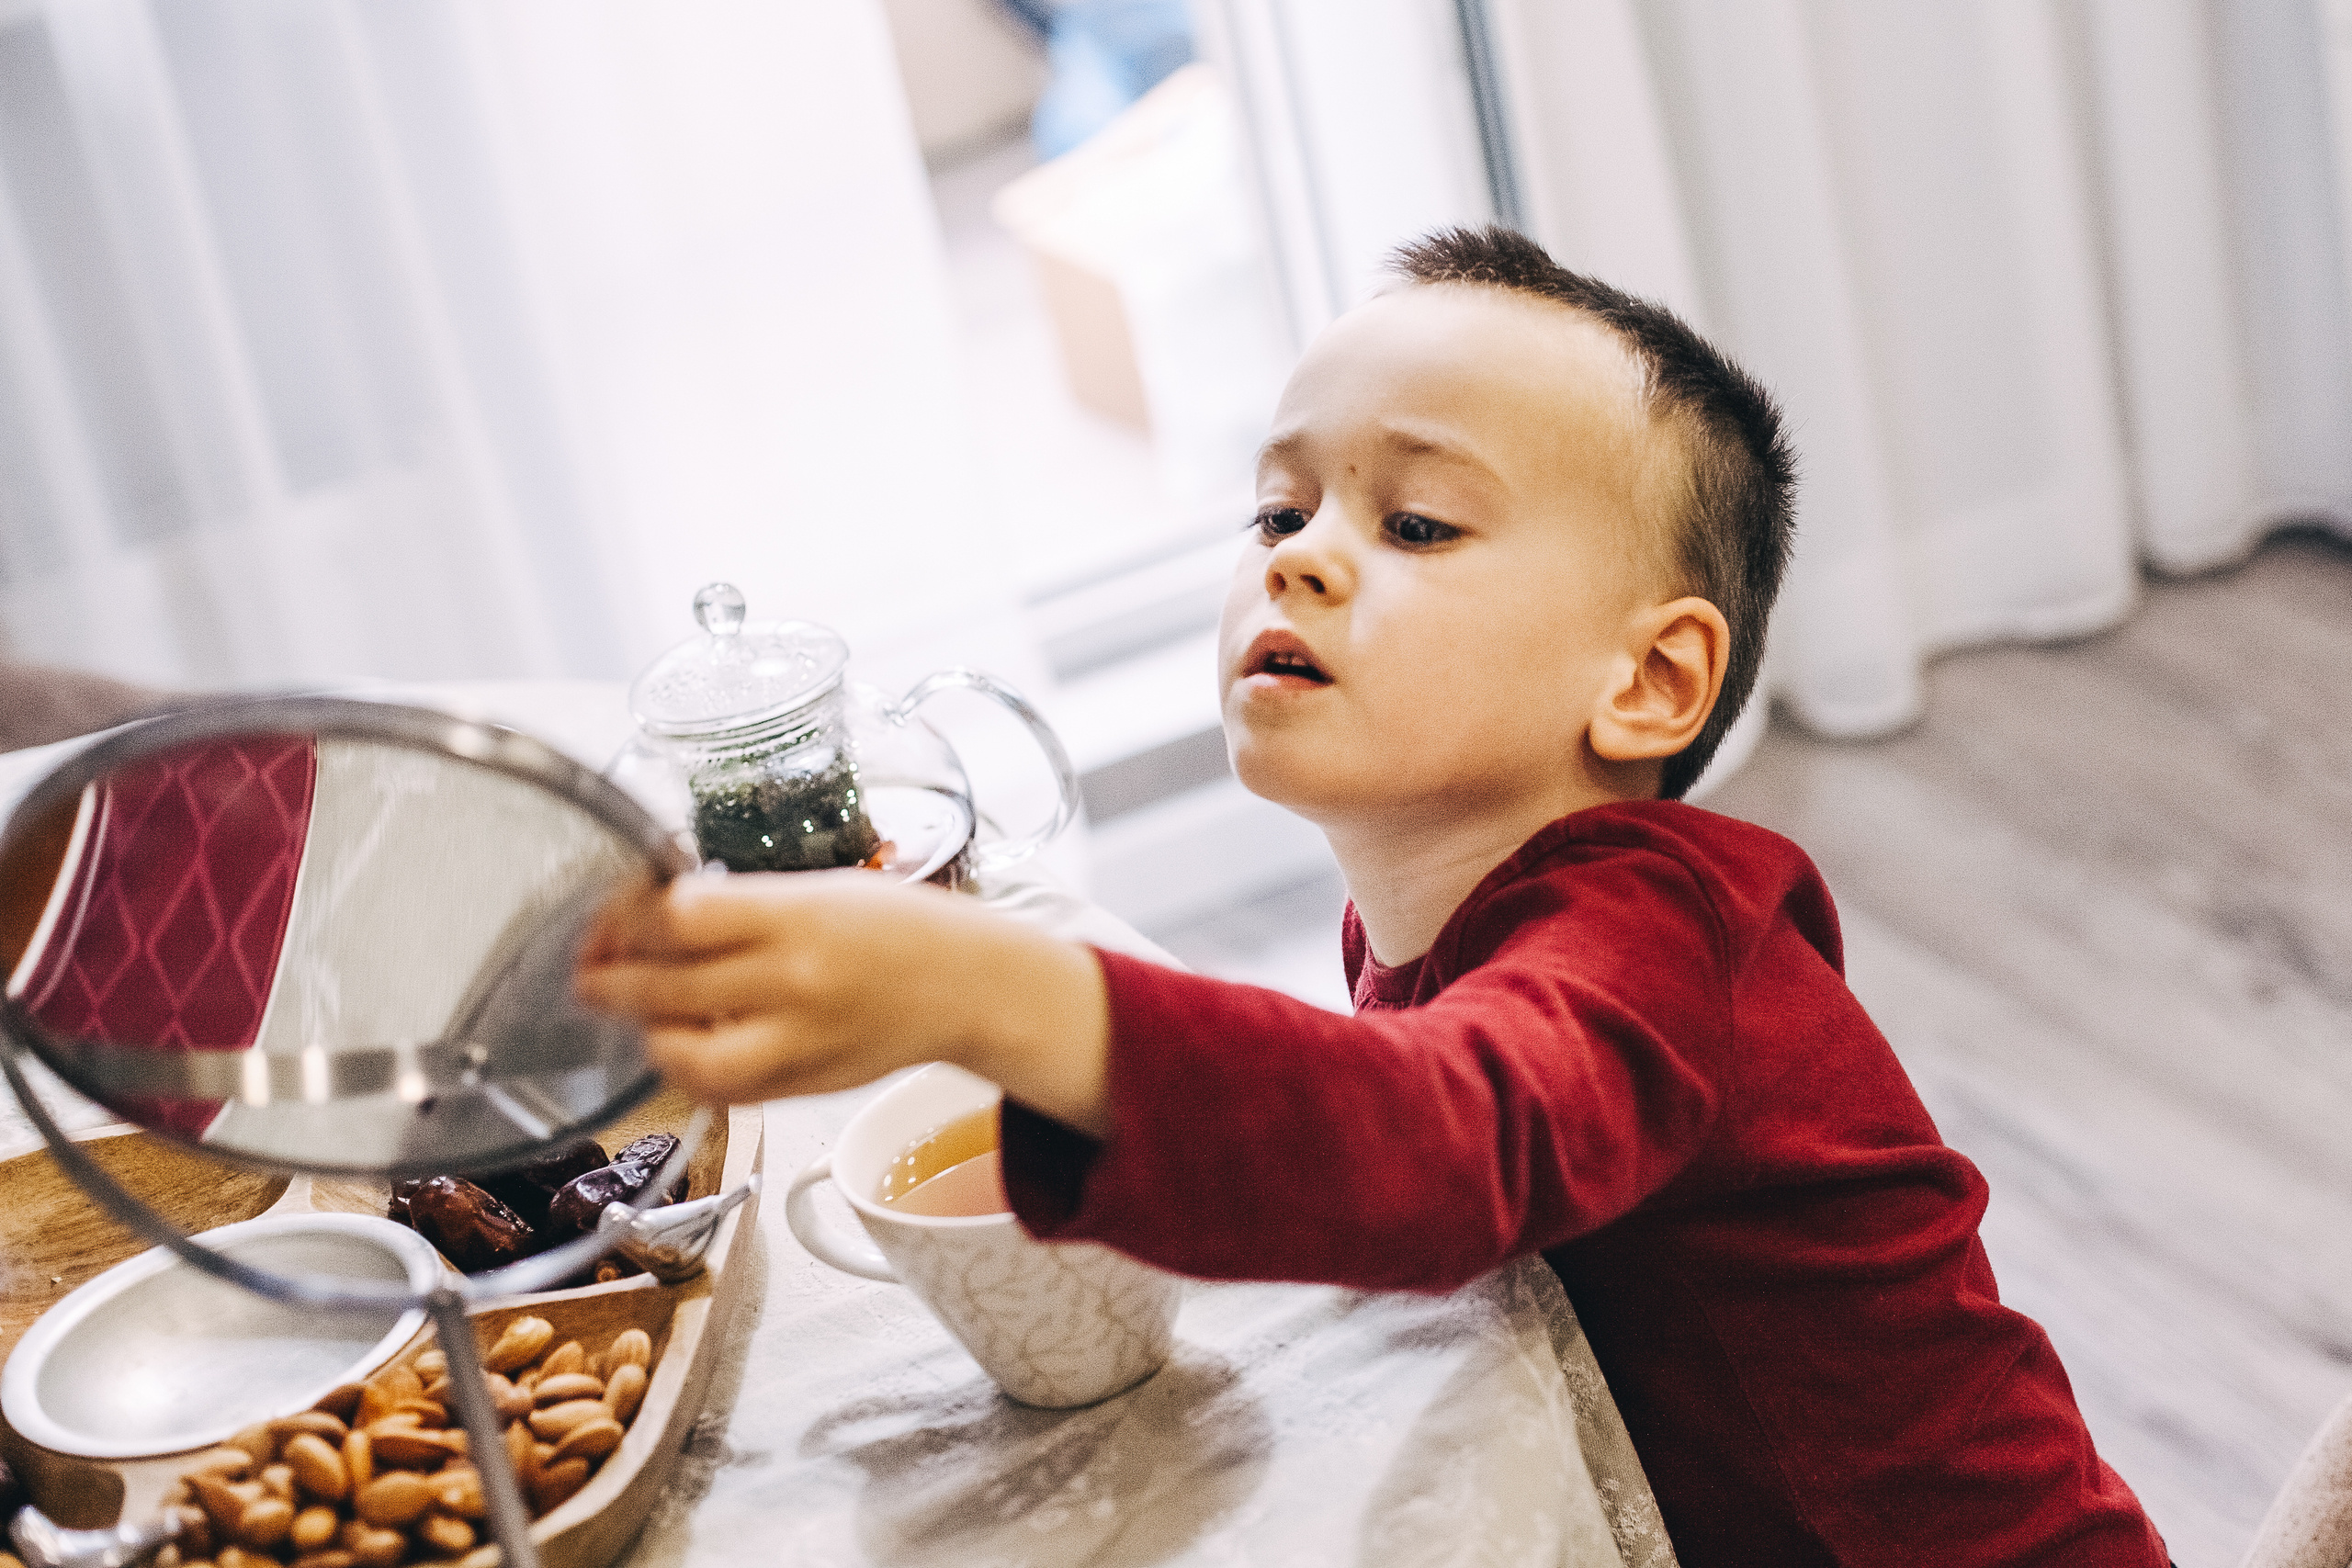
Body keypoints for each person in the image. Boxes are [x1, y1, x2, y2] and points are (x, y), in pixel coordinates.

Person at [578, 226, 2171, 1566]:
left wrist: (978, 992)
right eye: (1280, 511)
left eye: (1414, 523)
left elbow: (1446, 1145)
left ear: (1651, 678)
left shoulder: (1660, 931)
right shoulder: (1424, 924)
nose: (1301, 559)